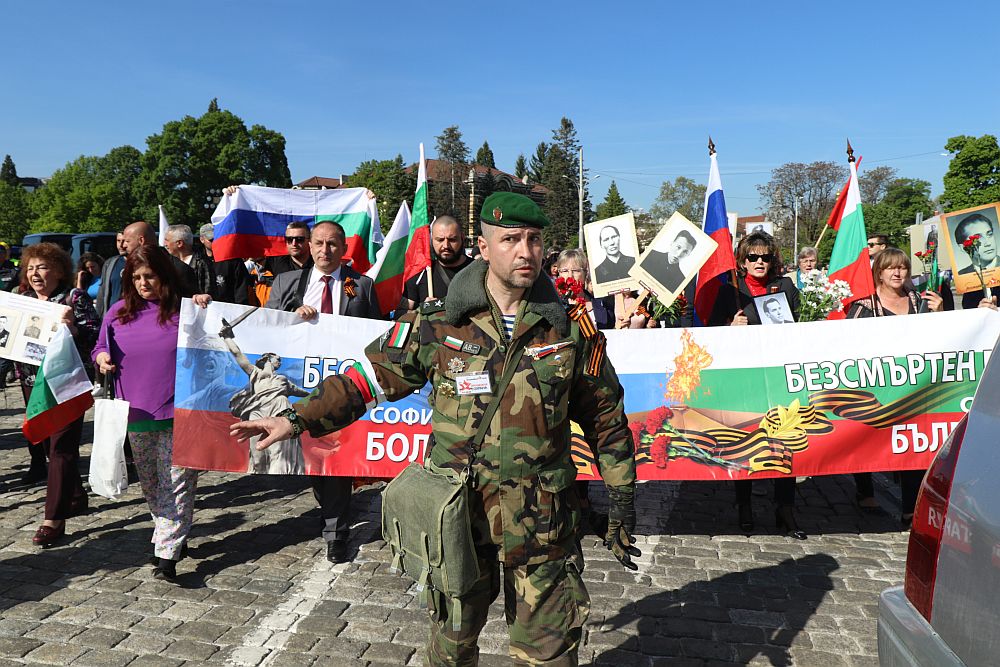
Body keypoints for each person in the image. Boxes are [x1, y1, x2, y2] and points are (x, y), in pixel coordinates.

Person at [232, 192, 639, 665]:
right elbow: (367, 381)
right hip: (460, 518)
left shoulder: (569, 329)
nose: (525, 251)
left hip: (542, 520)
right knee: (452, 645)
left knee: (549, 653)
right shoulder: (440, 324)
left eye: (533, 239)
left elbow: (605, 416)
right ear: (484, 248)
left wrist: (622, 496)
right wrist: (296, 417)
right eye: (510, 239)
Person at [265, 220, 382, 564]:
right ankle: (328, 509)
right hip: (302, 388)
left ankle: (337, 532)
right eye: (319, 243)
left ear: (344, 249)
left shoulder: (361, 286)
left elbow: (375, 336)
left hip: (344, 390)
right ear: (310, 246)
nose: (325, 250)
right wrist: (290, 316)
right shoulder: (287, 283)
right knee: (315, 459)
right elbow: (265, 329)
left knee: (338, 459)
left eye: (333, 244)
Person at [92, 245, 198, 581]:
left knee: (179, 484)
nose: (143, 283)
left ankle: (166, 555)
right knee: (153, 484)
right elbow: (100, 345)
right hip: (136, 412)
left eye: (149, 276)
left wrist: (206, 307)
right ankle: (172, 536)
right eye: (136, 277)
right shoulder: (117, 313)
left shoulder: (186, 313)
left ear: (164, 276)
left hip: (181, 413)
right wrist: (102, 357)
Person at [709, 231, 805, 539]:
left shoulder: (786, 287)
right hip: (744, 377)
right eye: (753, 257)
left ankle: (785, 508)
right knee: (746, 438)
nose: (759, 262)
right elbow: (708, 333)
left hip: (779, 374)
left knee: (786, 438)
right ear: (742, 261)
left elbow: (803, 324)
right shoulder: (730, 291)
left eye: (765, 257)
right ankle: (744, 504)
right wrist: (729, 326)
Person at [847, 247, 947, 524]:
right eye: (890, 267)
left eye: (902, 267)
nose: (897, 272)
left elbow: (945, 339)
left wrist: (941, 313)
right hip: (875, 387)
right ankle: (865, 491)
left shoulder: (921, 301)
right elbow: (843, 343)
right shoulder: (864, 307)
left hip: (914, 387)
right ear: (879, 272)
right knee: (867, 437)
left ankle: (909, 506)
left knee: (912, 441)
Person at [15, 243, 99, 543]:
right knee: (49, 443)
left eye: (43, 267)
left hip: (65, 383)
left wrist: (74, 330)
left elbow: (95, 333)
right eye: (31, 268)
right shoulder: (21, 300)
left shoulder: (73, 298)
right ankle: (75, 496)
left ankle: (53, 519)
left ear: (60, 270)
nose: (35, 273)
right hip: (30, 381)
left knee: (61, 448)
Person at [221, 339, 309, 474]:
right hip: (257, 410)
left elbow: (300, 392)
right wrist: (227, 337)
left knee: (279, 448)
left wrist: (319, 394)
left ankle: (280, 478)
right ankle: (257, 476)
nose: (280, 361)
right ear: (268, 359)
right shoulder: (255, 373)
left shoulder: (282, 380)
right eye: (277, 359)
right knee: (257, 451)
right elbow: (237, 354)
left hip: (279, 408)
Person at [398, 215, 473, 311]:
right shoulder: (420, 275)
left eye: (452, 240)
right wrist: (423, 310)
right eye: (440, 240)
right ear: (431, 240)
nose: (446, 245)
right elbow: (401, 317)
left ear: (462, 238)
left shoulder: (480, 271)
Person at [121, 221, 198, 298]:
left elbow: (188, 302)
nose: (123, 246)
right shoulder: (128, 265)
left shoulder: (178, 268)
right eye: (137, 277)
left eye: (127, 241)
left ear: (141, 240)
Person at [198, 223, 252, 305]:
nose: (215, 242)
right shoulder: (198, 261)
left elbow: (242, 292)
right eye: (211, 240)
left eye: (218, 238)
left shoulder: (233, 260)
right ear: (202, 239)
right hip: (204, 311)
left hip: (229, 311)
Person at [164, 224, 215, 297]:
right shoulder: (167, 262)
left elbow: (208, 292)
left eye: (167, 240)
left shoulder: (202, 263)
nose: (165, 244)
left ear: (179, 243)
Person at [640, 229, 697, 294]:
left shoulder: (680, 279)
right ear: (672, 243)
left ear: (688, 255)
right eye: (678, 247)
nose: (678, 254)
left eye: (685, 252)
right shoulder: (649, 256)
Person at [95, 229, 129, 317]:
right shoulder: (110, 263)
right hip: (111, 316)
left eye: (124, 241)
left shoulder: (141, 264)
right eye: (118, 241)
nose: (121, 245)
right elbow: (102, 292)